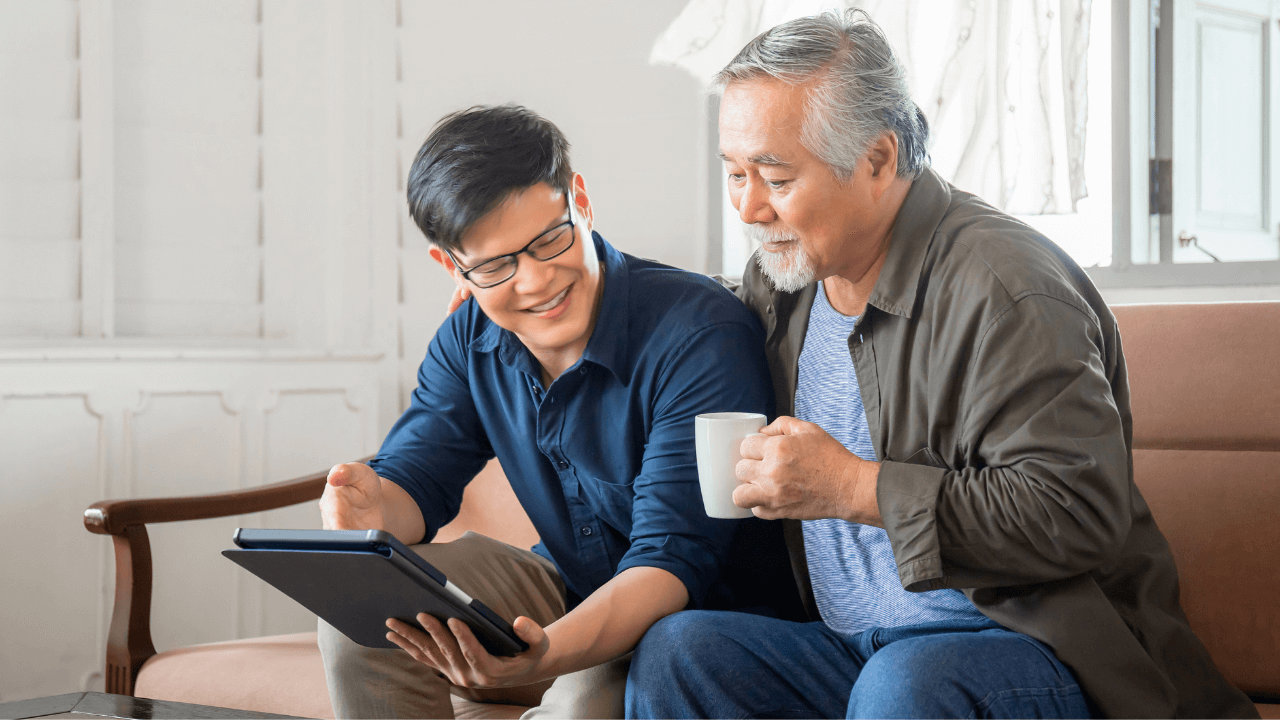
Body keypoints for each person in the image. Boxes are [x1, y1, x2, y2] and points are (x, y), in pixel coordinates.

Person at [623, 10, 1259, 720]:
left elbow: (1076, 513)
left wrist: (852, 487)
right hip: (856, 652)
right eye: (734, 173)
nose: (748, 206)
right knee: (681, 653)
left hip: (1033, 653)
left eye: (773, 174)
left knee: (906, 685)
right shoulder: (785, 280)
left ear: (878, 159)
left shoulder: (1007, 287)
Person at [317, 104, 801, 719]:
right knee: (362, 620)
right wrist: (369, 509)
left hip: (697, 621)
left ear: (581, 200)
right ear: (452, 265)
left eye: (550, 239)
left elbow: (669, 564)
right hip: (567, 587)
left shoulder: (698, 333)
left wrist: (542, 658)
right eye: (496, 266)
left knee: (578, 704)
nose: (537, 281)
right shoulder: (469, 338)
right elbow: (415, 481)